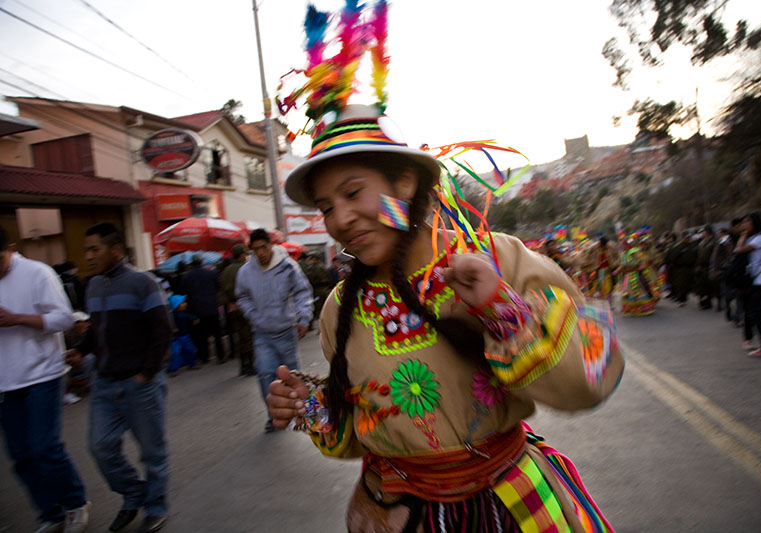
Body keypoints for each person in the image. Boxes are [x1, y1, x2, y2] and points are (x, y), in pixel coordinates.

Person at [265, 100, 623, 531]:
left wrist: (501, 309)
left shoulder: (497, 258)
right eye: (325, 207)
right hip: (400, 513)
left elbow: (589, 380)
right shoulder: (339, 309)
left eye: (354, 192)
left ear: (406, 182)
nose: (340, 218)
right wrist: (311, 406)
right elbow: (364, 428)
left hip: (513, 508)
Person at [66, 223, 172, 533]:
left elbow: (162, 330)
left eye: (94, 249)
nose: (88, 256)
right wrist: (79, 350)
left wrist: (146, 374)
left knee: (152, 452)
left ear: (115, 250)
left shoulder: (143, 283)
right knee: (101, 447)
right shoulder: (94, 286)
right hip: (105, 384)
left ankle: (155, 507)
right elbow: (97, 332)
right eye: (86, 250)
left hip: (139, 384)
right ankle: (134, 494)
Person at [0, 226, 91, 533]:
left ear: (11, 248)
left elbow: (65, 318)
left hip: (42, 373)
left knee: (44, 448)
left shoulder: (38, 274)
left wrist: (17, 319)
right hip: (5, 380)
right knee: (21, 456)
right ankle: (50, 513)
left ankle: (75, 503)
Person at [235, 228, 313, 432]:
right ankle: (274, 417)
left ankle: (301, 413)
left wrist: (303, 318)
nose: (261, 253)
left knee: (291, 376)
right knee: (265, 374)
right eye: (256, 249)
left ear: (270, 245)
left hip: (286, 332)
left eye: (264, 247)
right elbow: (242, 297)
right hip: (262, 334)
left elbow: (302, 292)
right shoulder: (245, 271)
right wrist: (253, 315)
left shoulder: (288, 266)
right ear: (251, 249)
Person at [733, 213, 761, 357]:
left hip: (759, 280)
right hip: (751, 279)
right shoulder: (753, 237)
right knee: (752, 313)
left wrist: (743, 235)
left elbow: (740, 250)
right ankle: (755, 341)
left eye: (747, 222)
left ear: (754, 223)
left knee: (755, 313)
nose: (744, 225)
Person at [179, 255, 226, 365]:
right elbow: (218, 286)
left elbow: (183, 293)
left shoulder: (186, 277)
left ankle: (204, 356)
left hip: (196, 310)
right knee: (217, 333)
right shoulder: (211, 273)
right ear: (201, 262)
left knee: (201, 335)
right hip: (212, 307)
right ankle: (221, 355)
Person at [219, 244, 255, 376]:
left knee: (239, 336)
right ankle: (250, 365)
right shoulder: (245, 269)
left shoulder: (226, 270)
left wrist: (229, 303)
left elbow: (221, 291)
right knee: (249, 337)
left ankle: (243, 365)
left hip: (232, 308)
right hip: (246, 306)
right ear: (241, 255)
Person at [166, 294, 198, 376]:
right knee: (175, 352)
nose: (185, 304)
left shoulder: (184, 312)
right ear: (177, 305)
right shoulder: (172, 315)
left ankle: (192, 364)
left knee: (190, 349)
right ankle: (173, 369)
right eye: (182, 302)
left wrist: (194, 319)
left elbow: (191, 317)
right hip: (176, 338)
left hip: (185, 336)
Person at [694, 226, 715, 310]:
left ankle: (708, 301)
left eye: (703, 231)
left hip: (710, 266)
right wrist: (698, 265)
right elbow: (699, 255)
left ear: (708, 231)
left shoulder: (714, 241)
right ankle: (703, 301)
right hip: (701, 267)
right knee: (701, 285)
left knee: (709, 285)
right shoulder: (702, 242)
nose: (702, 233)